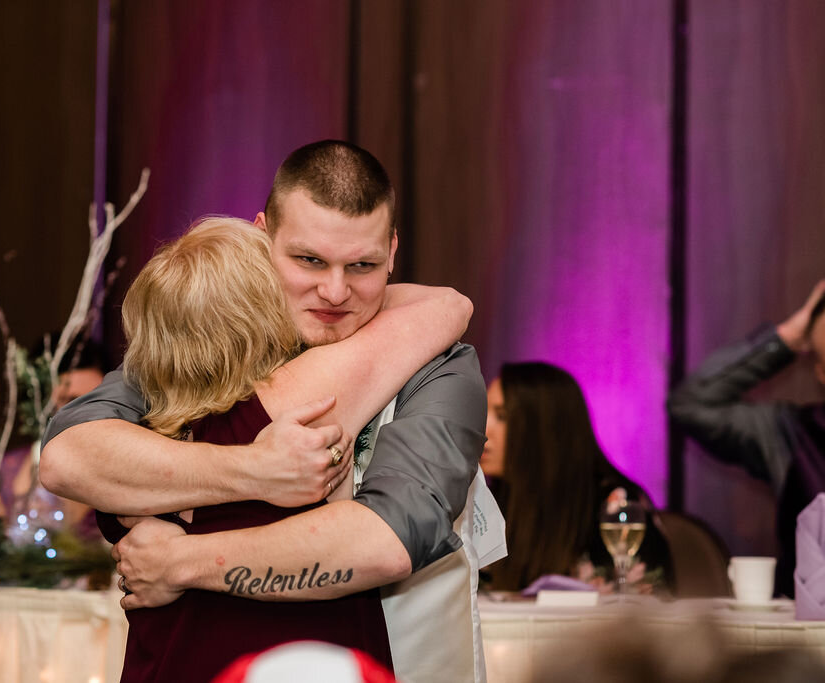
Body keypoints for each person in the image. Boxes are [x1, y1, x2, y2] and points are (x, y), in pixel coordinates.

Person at [40, 140, 491, 682]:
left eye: (363, 265)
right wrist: (254, 470)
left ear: (393, 251)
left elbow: (389, 537)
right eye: (309, 260)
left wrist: (179, 563)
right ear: (262, 236)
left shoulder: (440, 365)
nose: (335, 290)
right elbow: (70, 453)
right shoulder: (202, 345)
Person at [668, 278, 825, 596]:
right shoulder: (792, 432)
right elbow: (692, 404)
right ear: (822, 373)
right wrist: (787, 339)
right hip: (818, 633)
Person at [480, 362, 673, 593]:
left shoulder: (613, 502)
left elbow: (647, 609)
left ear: (544, 427)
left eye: (502, 416)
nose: (482, 429)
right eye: (484, 412)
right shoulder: (488, 501)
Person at [0, 334, 108, 540]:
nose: (85, 412)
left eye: (95, 399)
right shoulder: (8, 468)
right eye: (70, 400)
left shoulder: (123, 468)